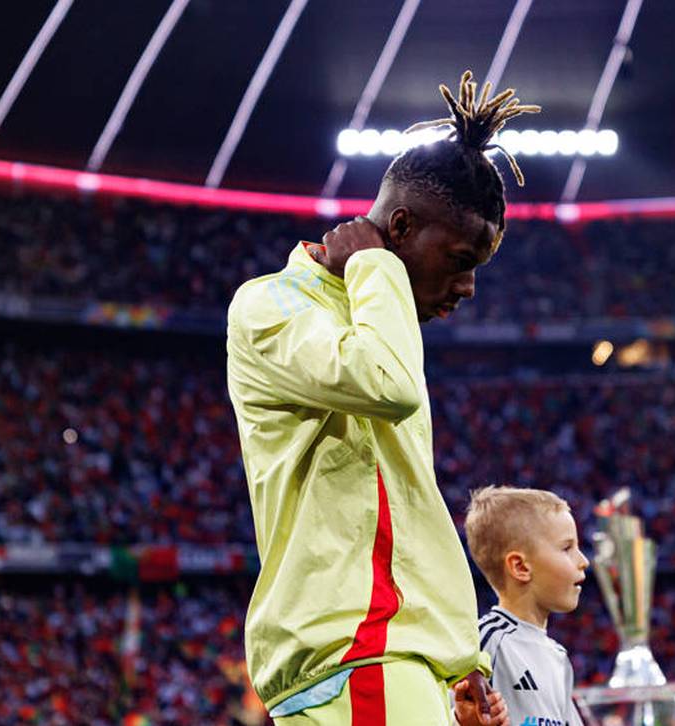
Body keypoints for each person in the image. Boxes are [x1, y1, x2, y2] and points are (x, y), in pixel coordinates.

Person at [226, 70, 538, 725]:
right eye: (458, 259)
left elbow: (403, 516)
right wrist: (373, 266)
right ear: (398, 226)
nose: (468, 288)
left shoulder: (382, 325)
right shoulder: (272, 304)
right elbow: (388, 386)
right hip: (357, 657)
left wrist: (459, 663)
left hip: (392, 661)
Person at [459, 486, 589, 726]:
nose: (583, 561)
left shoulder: (558, 657)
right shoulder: (482, 645)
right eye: (567, 548)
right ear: (520, 567)